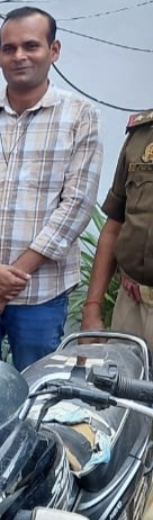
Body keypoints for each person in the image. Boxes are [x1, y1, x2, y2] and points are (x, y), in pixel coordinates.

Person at [0, 6, 101, 370]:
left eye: (31, 46)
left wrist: (9, 279)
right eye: (9, 48)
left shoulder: (80, 117)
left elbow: (76, 206)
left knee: (36, 390)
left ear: (53, 50)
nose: (19, 56)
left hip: (39, 294)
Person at [80, 109, 153, 347]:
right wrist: (92, 308)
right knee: (121, 370)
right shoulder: (141, 135)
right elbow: (114, 226)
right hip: (131, 307)